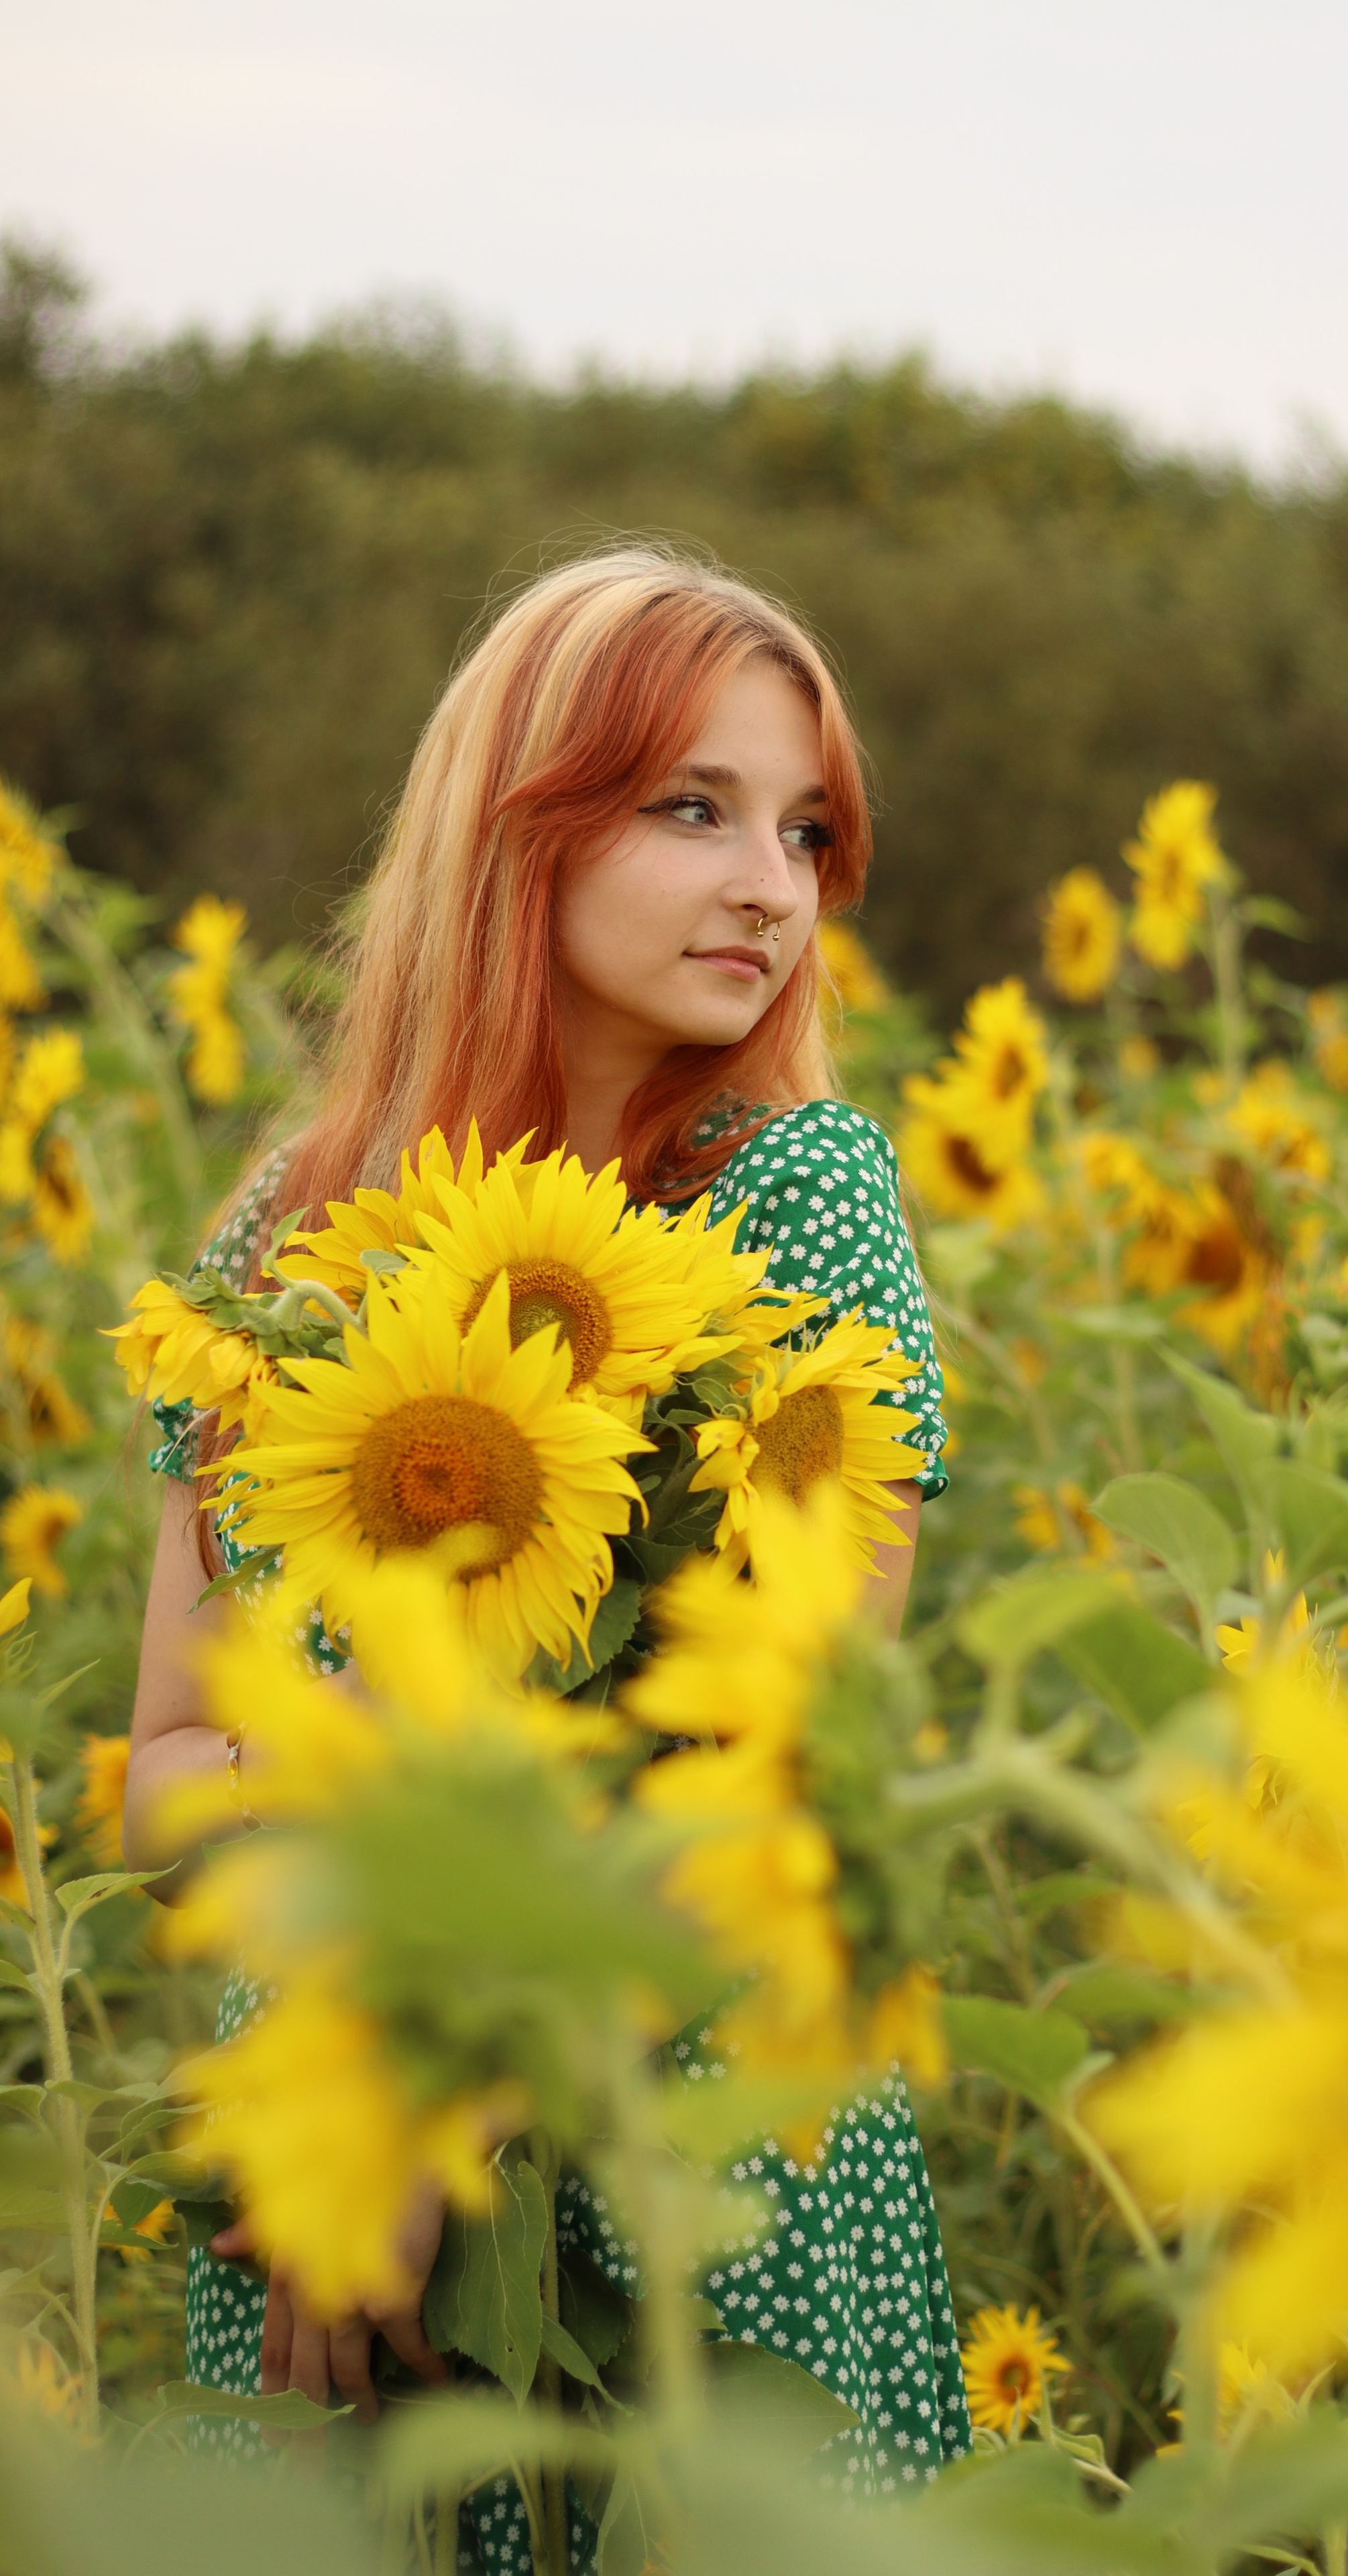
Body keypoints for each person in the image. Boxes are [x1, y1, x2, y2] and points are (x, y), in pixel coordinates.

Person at [123, 549, 972, 2561]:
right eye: (693, 807)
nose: (772, 884)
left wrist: (449, 2074)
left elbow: (778, 1759)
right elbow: (163, 1775)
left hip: (678, 2176)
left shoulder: (794, 1201)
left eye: (804, 827)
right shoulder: (283, 1240)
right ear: (519, 817)